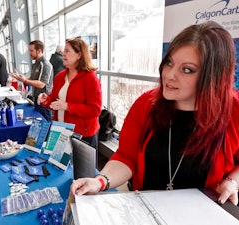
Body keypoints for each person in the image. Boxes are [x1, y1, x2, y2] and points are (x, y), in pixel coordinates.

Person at [70, 21, 239, 206]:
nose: (169, 75)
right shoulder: (146, 104)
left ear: (214, 76)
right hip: (146, 211)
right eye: (169, 63)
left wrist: (232, 182)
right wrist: (100, 181)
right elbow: (127, 157)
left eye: (187, 70)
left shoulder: (233, 109)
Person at [37, 38, 102, 148]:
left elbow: (95, 109)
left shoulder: (90, 78)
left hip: (82, 136)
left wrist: (68, 106)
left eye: (67, 51)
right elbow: (54, 101)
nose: (63, 53)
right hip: (61, 132)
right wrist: (46, 100)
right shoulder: (60, 76)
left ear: (79, 55)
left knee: (80, 166)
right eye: (64, 50)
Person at [11, 40, 54, 121]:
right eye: (29, 50)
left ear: (39, 51)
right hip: (36, 99)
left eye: (31, 50)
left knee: (46, 125)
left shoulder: (45, 64)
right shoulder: (35, 64)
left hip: (44, 101)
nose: (29, 53)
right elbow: (32, 78)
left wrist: (25, 81)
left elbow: (41, 84)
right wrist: (20, 78)